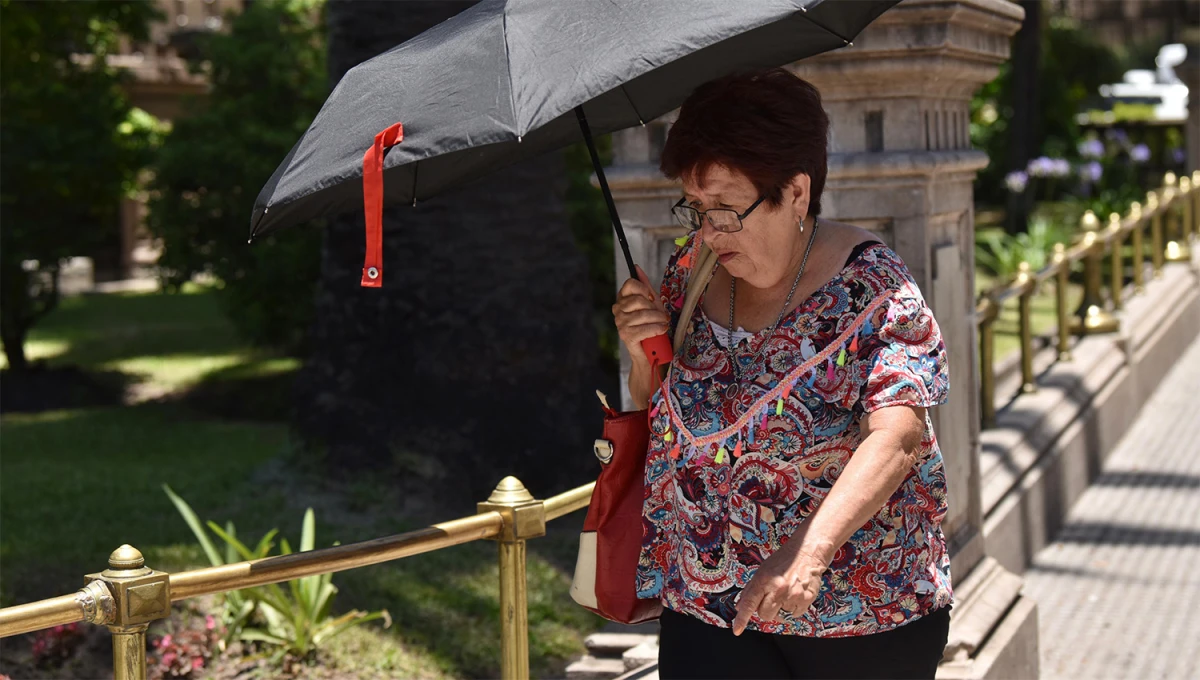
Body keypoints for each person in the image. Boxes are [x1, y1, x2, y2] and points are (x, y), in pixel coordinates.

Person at [612, 68, 953, 680]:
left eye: (727, 210)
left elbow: (898, 436)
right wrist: (643, 358)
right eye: (697, 209)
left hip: (859, 614)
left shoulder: (874, 289)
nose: (710, 232)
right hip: (704, 603)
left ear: (796, 192)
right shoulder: (691, 270)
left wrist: (807, 554)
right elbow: (664, 415)